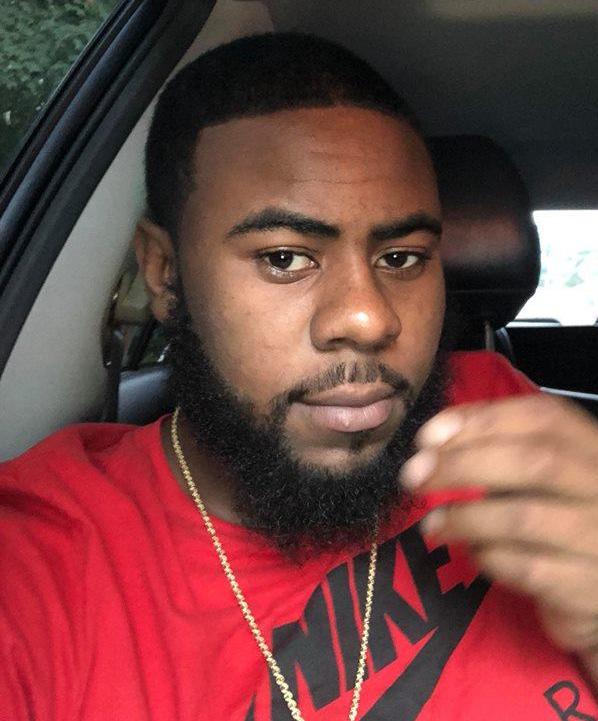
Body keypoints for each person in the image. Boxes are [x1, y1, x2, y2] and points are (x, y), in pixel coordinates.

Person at [2, 32, 598, 721]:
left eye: (402, 258)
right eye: (284, 258)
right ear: (164, 273)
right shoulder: (40, 563)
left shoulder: (496, 416)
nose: (369, 319)